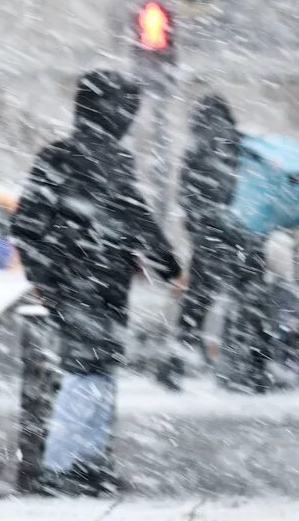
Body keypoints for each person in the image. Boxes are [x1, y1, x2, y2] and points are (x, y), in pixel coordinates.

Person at [11, 70, 181, 495]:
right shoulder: (103, 159)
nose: (130, 118)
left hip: (84, 281)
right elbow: (132, 212)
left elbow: (28, 222)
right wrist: (163, 260)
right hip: (95, 281)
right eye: (125, 109)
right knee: (88, 373)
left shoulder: (61, 156)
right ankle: (66, 466)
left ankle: (81, 462)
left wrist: (44, 275)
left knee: (94, 371)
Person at [157, 94, 247, 390]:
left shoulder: (196, 147)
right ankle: (245, 369)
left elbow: (185, 194)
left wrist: (195, 229)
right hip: (242, 235)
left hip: (208, 236)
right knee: (244, 301)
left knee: (196, 304)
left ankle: (175, 365)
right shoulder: (239, 144)